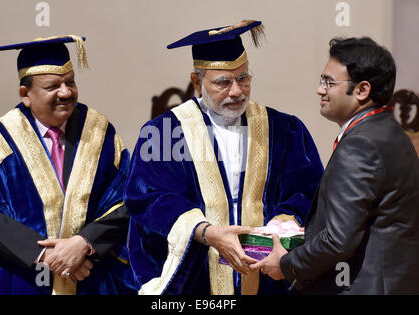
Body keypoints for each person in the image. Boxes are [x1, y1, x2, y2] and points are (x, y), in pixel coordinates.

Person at [124, 20, 324, 295]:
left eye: (243, 78)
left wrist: (282, 222)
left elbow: (308, 189)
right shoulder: (164, 132)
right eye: (223, 82)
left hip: (267, 277)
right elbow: (147, 197)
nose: (237, 91)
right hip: (195, 279)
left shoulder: (284, 129)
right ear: (197, 82)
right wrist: (206, 232)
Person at [0, 35, 135, 295]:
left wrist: (84, 244)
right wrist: (46, 256)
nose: (66, 93)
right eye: (53, 86)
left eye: (70, 82)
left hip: (92, 276)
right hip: (24, 279)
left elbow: (126, 197)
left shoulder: (100, 133)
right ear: (25, 94)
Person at [253, 37, 419, 294]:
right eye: (322, 81)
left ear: (362, 90)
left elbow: (338, 241)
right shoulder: (389, 132)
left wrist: (286, 265)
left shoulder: (360, 144)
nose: (320, 90)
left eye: (329, 83)